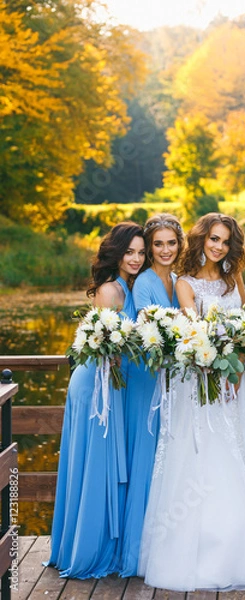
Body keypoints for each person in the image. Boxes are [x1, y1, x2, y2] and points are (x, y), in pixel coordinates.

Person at [138, 213, 245, 592]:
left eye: (225, 241)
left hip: (241, 376)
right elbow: (195, 334)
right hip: (202, 378)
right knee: (204, 457)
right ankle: (200, 550)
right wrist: (219, 367)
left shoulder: (234, 278)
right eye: (213, 239)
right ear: (202, 239)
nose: (218, 247)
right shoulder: (185, 284)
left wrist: (238, 369)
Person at [47, 222, 147, 579]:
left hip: (113, 384)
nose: (135, 258)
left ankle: (97, 542)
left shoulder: (132, 286)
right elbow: (112, 351)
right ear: (116, 252)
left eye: (140, 252)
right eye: (129, 251)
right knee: (96, 464)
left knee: (103, 464)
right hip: (97, 386)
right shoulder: (109, 290)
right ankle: (90, 550)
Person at [120, 213, 184, 577]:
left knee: (168, 459)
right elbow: (149, 337)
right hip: (148, 379)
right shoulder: (143, 282)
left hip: (175, 379)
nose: (164, 250)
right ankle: (137, 554)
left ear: (179, 244)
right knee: (148, 456)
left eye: (170, 243)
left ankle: (166, 544)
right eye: (157, 244)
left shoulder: (178, 279)